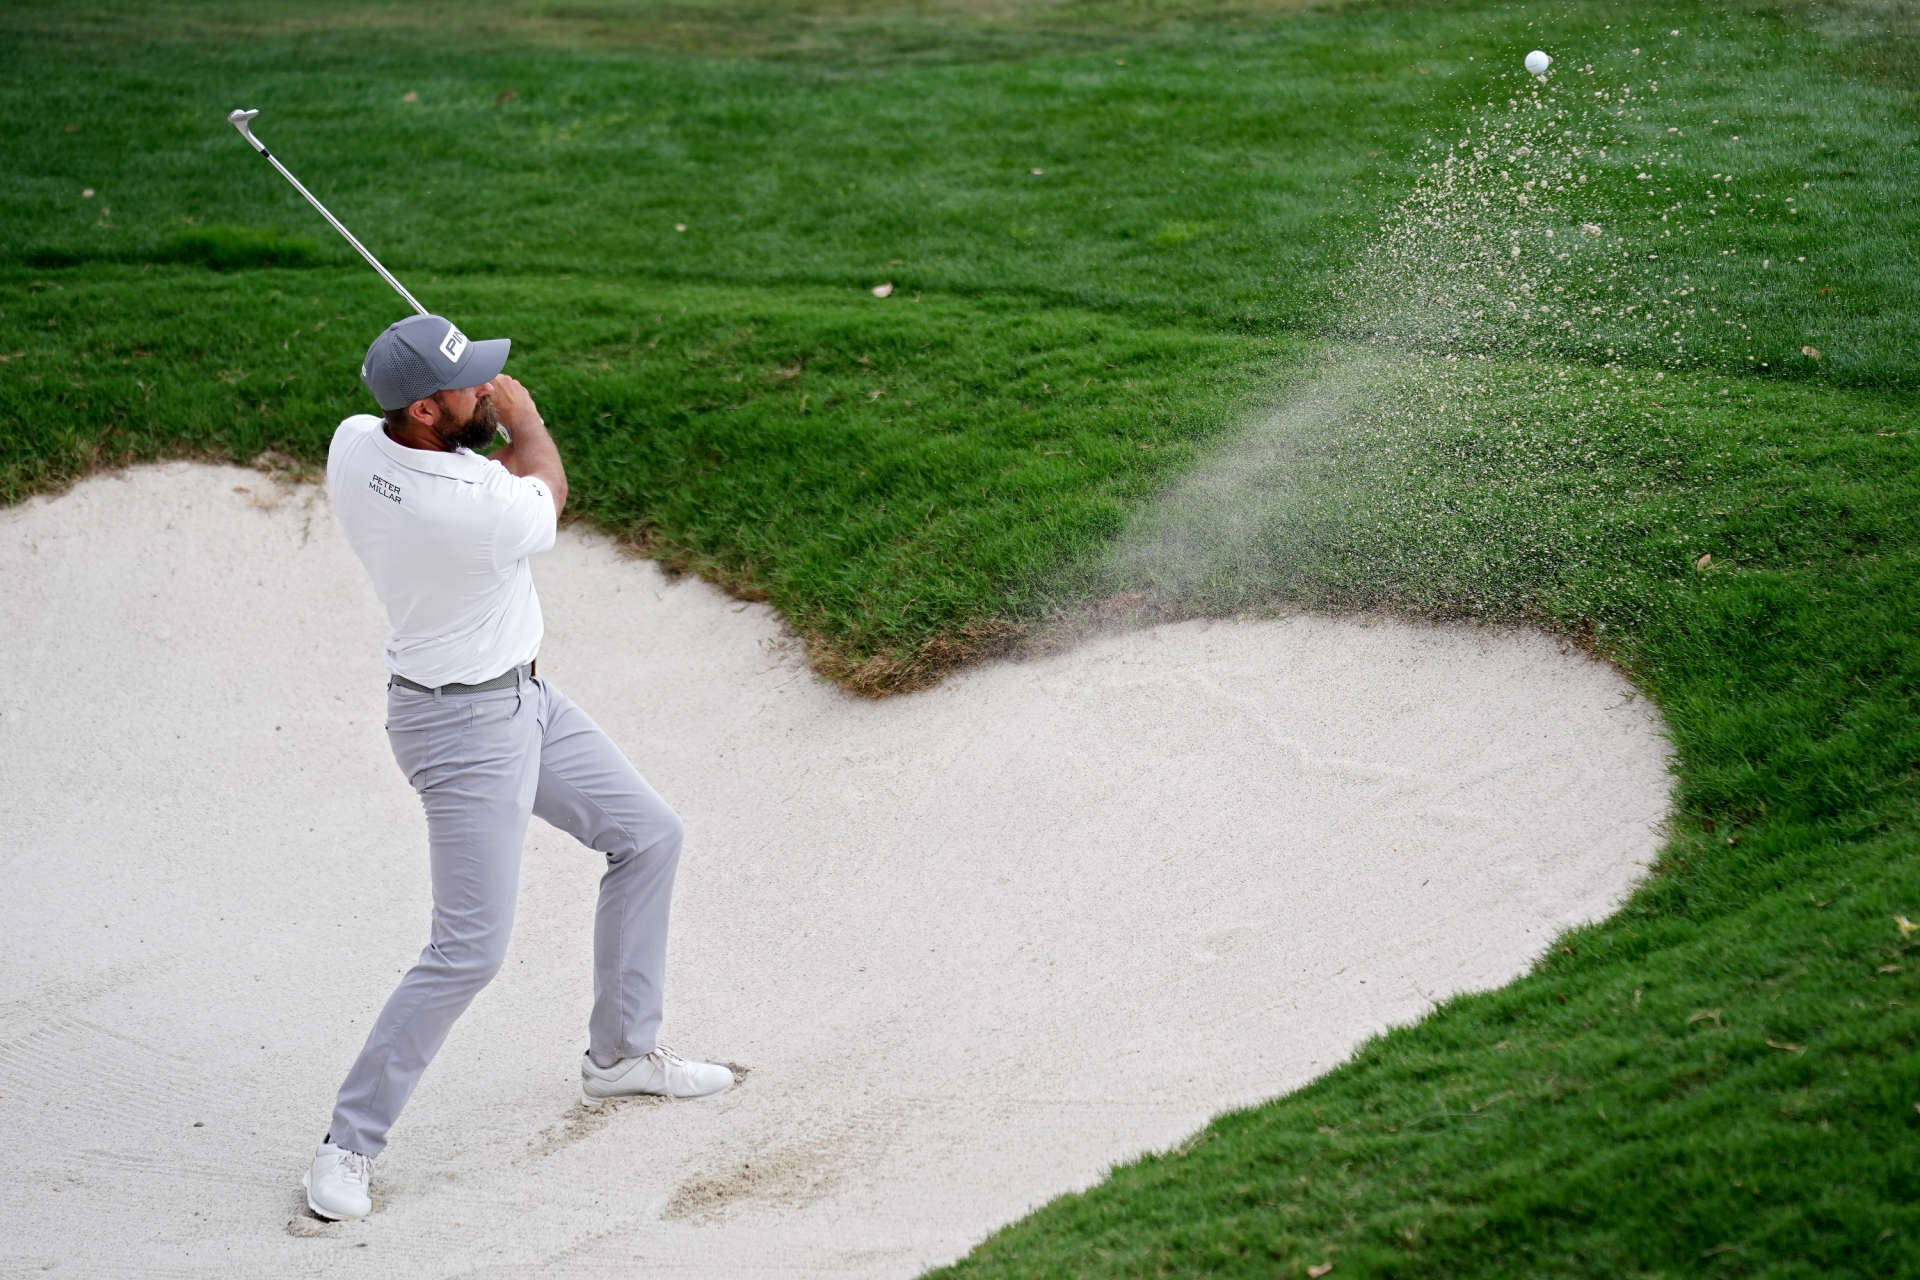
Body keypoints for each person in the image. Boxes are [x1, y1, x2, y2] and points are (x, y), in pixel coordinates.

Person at [303, 314, 733, 1222]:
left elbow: (479, 477)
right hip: (465, 733)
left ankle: (618, 1058)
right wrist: (527, 422)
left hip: (522, 702)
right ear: (425, 410)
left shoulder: (354, 444)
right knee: (467, 950)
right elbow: (545, 487)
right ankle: (348, 1144)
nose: (491, 390)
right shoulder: (471, 509)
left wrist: (477, 421)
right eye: (472, 387)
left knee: (649, 835)